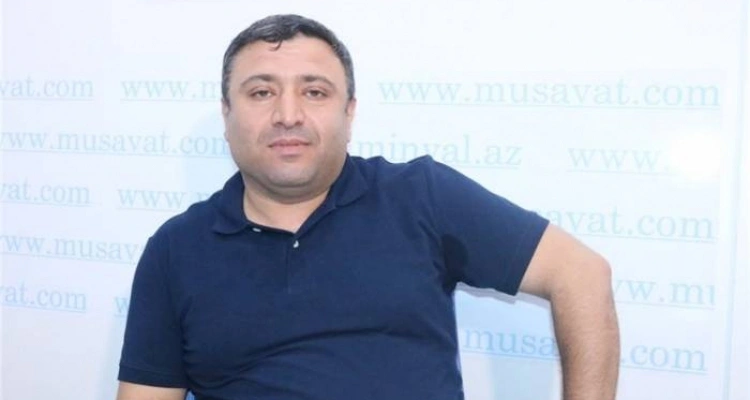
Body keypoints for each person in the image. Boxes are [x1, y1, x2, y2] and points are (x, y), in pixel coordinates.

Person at [116, 14, 619, 400]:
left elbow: (580, 273)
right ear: (227, 114)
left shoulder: (421, 196)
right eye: (262, 92)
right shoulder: (175, 249)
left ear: (349, 112)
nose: (288, 114)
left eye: (314, 92)